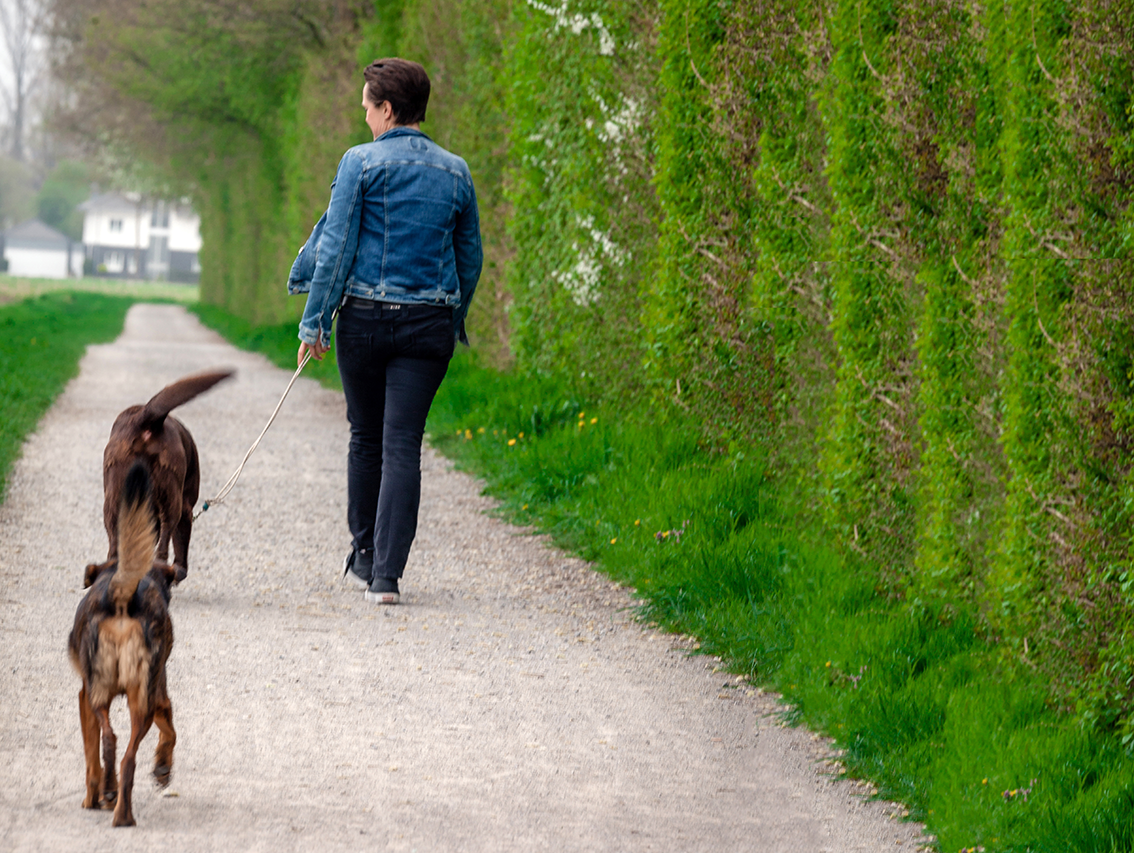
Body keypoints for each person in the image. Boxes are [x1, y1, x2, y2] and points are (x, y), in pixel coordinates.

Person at [287, 58, 482, 605]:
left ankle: (365, 553)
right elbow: (470, 259)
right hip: (428, 327)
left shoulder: (360, 162)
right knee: (403, 444)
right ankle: (387, 579)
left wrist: (315, 322)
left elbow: (336, 249)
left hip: (366, 323)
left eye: (368, 106)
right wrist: (451, 313)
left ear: (388, 109)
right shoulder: (457, 171)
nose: (364, 115)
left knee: (365, 436)